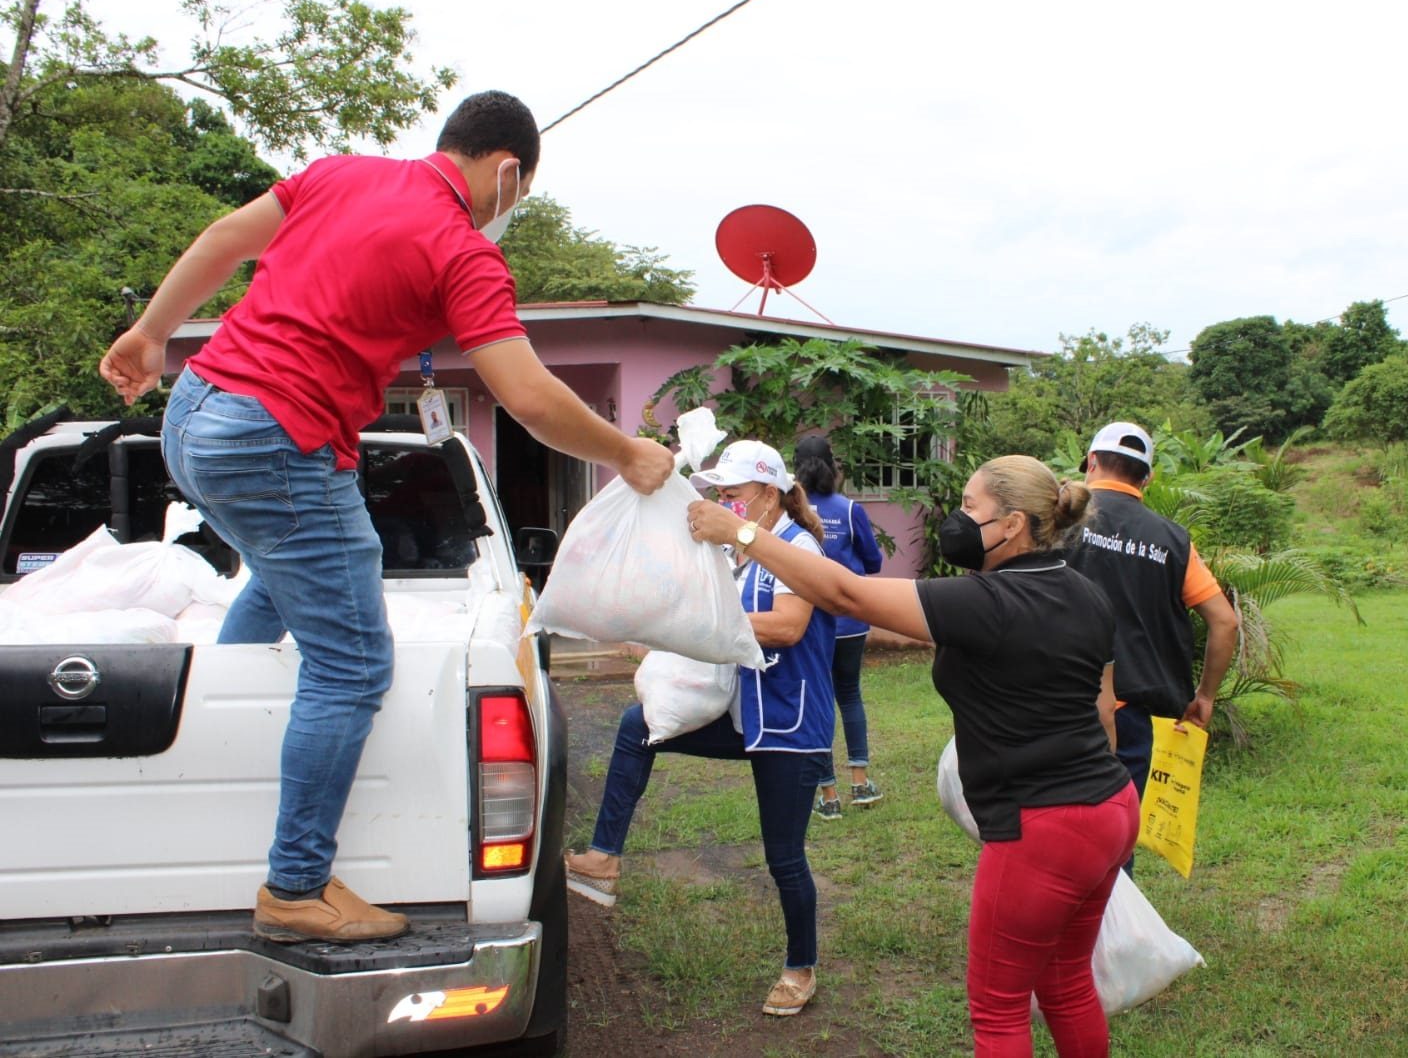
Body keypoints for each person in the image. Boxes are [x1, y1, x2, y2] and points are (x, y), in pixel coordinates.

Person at [97, 91, 675, 944]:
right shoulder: (463, 250)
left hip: (193, 412)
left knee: (307, 559)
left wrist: (151, 335)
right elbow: (528, 398)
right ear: (508, 171)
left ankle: (237, 698)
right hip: (273, 436)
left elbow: (223, 239)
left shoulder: (340, 175)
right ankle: (295, 887)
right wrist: (628, 454)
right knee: (354, 664)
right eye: (520, 192)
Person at [688, 455, 1140, 1058]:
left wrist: (739, 531)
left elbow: (843, 590)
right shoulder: (1087, 591)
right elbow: (1105, 709)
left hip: (1042, 824)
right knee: (1065, 979)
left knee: (999, 1008)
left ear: (1010, 526)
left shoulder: (989, 599)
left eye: (970, 506)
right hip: (1110, 805)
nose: (957, 518)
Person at [564, 440, 836, 1017]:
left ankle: (800, 967)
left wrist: (700, 626)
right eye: (719, 496)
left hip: (790, 724)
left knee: (784, 857)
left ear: (767, 494)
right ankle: (604, 858)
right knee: (638, 726)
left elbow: (788, 626)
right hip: (745, 716)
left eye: (733, 496)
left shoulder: (798, 545)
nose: (723, 504)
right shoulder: (741, 551)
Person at [1065, 422, 1238, 872]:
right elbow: (1224, 622)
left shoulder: (1059, 521)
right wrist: (1205, 697)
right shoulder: (1173, 539)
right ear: (1148, 478)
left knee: (1055, 826)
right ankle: (1115, 928)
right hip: (1135, 712)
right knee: (1116, 836)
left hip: (1058, 701)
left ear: (1092, 463)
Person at [792, 434, 885, 820]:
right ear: (832, 467)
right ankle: (861, 783)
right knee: (849, 695)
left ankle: (828, 794)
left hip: (808, 620)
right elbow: (874, 563)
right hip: (849, 620)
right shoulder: (849, 510)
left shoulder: (790, 514)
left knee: (818, 700)